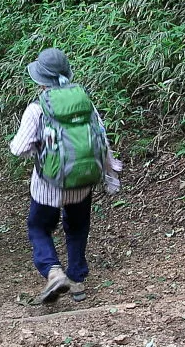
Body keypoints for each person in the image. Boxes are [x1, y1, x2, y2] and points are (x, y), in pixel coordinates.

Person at [9, 49, 122, 304]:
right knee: (78, 226)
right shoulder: (85, 103)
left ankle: (53, 271)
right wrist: (109, 172)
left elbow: (19, 148)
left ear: (40, 80)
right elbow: (101, 139)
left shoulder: (38, 108)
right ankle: (77, 279)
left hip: (48, 185)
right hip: (82, 181)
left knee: (38, 227)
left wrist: (41, 149)